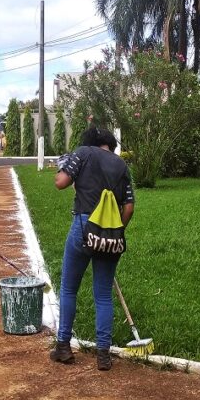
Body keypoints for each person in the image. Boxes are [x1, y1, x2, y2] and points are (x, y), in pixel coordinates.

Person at [49, 126, 135, 371]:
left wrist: (63, 166)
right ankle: (103, 355)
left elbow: (60, 183)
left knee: (68, 289)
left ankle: (63, 347)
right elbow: (128, 207)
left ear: (88, 141)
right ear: (110, 144)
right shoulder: (121, 165)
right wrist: (115, 231)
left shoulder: (83, 153)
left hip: (83, 227)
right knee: (103, 295)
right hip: (111, 232)